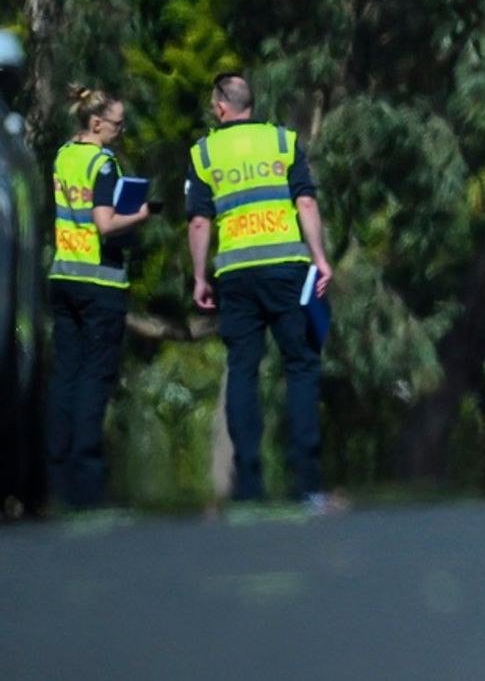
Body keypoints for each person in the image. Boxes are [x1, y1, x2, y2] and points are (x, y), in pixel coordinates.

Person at [187, 73, 334, 508]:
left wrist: (199, 276)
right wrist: (320, 257)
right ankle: (306, 481)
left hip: (236, 274)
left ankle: (249, 483)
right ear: (250, 103)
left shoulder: (205, 152)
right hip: (287, 270)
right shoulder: (283, 141)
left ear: (220, 107)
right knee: (302, 367)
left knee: (243, 370)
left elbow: (199, 220)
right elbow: (306, 201)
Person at [47, 85, 151, 508]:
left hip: (64, 276)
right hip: (100, 283)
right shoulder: (103, 163)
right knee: (95, 375)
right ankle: (88, 473)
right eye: (118, 123)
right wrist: (141, 213)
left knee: (66, 374)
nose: (122, 131)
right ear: (96, 123)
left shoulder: (63, 156)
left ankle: (57, 469)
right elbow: (105, 224)